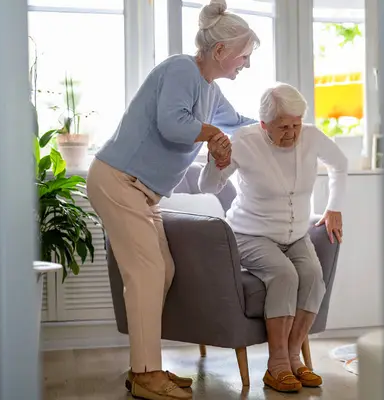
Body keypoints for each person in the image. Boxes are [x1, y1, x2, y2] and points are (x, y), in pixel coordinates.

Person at [85, 1, 259, 399]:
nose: (246, 64)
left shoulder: (212, 91)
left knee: (161, 270)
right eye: (244, 55)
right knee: (146, 273)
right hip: (119, 180)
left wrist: (277, 125)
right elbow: (172, 122)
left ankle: (143, 366)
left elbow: (238, 124)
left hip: (142, 192)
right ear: (220, 51)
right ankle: (147, 374)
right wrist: (212, 135)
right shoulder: (181, 68)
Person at [198, 83, 348, 392]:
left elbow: (340, 164)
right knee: (284, 274)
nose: (293, 133)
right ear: (264, 124)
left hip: (295, 235)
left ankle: (293, 357)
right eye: (284, 127)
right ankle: (276, 363)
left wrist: (334, 207)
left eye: (296, 124)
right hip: (250, 234)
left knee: (313, 276)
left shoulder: (311, 136)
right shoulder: (244, 141)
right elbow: (208, 187)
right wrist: (216, 161)